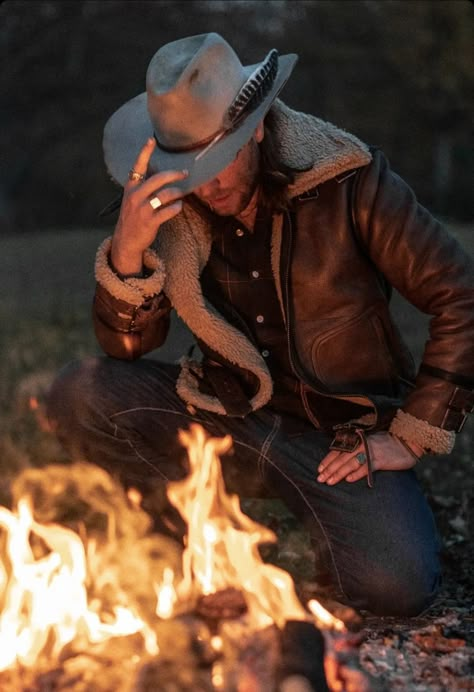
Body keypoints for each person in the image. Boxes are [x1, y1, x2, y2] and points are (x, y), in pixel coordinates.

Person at [47, 32, 474, 616]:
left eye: (220, 160)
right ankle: (188, 547)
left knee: (394, 584)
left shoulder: (350, 181)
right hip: (228, 416)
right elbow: (127, 347)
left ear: (256, 125)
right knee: (80, 392)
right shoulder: (173, 208)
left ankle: (315, 532)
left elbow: (461, 295)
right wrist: (126, 253)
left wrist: (409, 434)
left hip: (338, 439)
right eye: (193, 167)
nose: (212, 183)